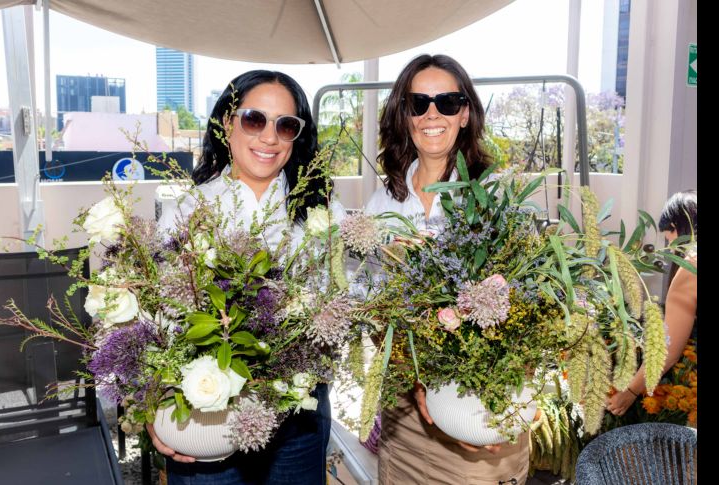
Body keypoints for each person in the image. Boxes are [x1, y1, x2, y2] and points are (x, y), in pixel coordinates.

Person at [153, 69, 344, 485]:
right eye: (254, 119)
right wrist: (151, 404)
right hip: (206, 415)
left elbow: (347, 300)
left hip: (299, 417)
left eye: (286, 125)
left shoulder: (323, 214)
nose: (269, 137)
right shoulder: (185, 212)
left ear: (298, 136)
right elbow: (155, 321)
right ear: (227, 122)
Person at [364, 53, 530, 485]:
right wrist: (415, 377)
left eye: (447, 102)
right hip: (404, 417)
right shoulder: (383, 204)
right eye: (418, 103)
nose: (432, 113)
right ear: (404, 116)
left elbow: (530, 302)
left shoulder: (496, 194)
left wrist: (488, 398)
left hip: (473, 406)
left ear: (465, 113)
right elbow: (371, 306)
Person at [606, 190, 697, 417]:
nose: (669, 244)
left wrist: (630, 391)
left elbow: (667, 350)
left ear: (677, 226)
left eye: (668, 235)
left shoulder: (690, 268)